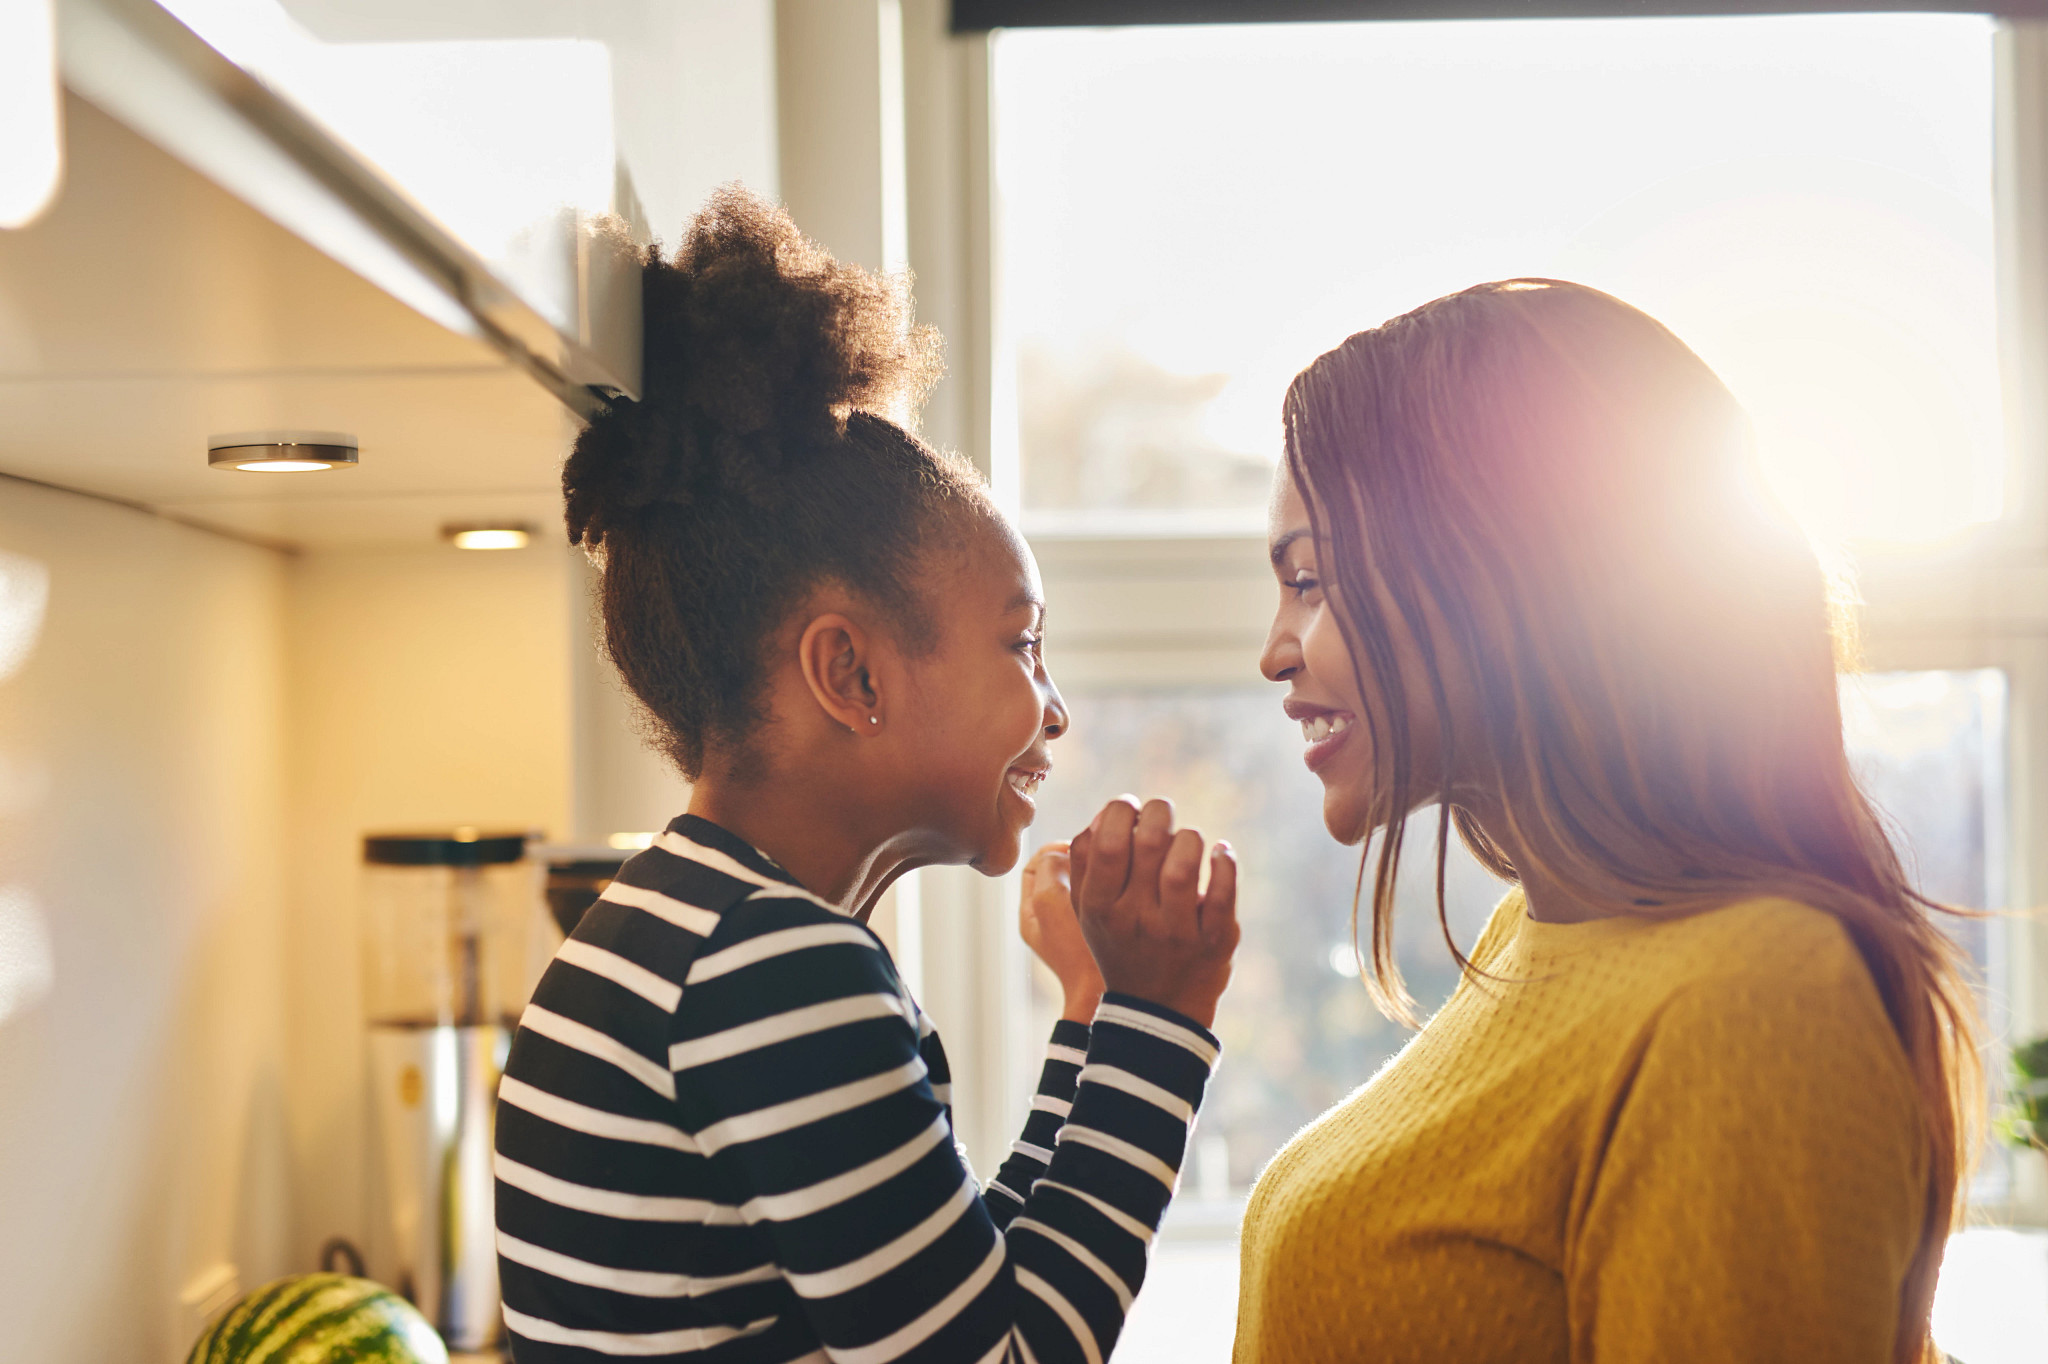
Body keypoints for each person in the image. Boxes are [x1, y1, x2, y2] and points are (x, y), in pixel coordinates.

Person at [492, 188, 1239, 1364]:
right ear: (849, 672)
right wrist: (1163, 1021)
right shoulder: (779, 971)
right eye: (1020, 643)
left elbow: (966, 1294)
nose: (1053, 706)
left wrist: (1094, 1011)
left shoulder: (672, 929)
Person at [1237, 279, 1979, 1364]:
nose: (1274, 651)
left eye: (1308, 579)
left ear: (1505, 575)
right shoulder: (1536, 931)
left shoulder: (1749, 999)